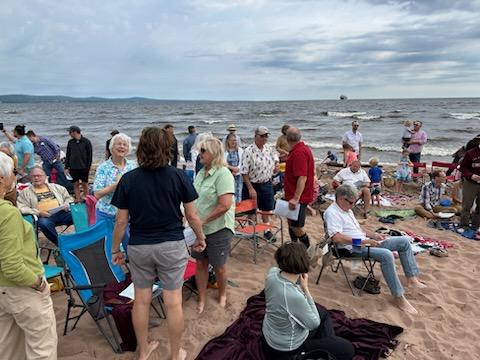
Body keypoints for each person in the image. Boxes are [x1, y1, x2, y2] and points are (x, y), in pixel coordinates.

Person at [111, 126, 206, 360]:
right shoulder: (177, 176)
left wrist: (115, 249)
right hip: (171, 245)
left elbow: (121, 221)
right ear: (166, 148)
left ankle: (143, 351)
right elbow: (192, 216)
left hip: (140, 246)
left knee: (141, 302)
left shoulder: (128, 179)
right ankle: (176, 354)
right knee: (173, 303)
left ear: (141, 148)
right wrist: (201, 238)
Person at [325, 184, 425, 314]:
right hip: (352, 247)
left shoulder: (346, 209)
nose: (353, 205)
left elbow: (357, 230)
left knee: (404, 242)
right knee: (386, 255)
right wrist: (363, 241)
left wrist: (374, 235)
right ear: (341, 199)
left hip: (364, 242)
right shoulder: (332, 213)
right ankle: (398, 297)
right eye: (351, 202)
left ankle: (412, 279)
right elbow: (337, 238)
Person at [0, 152, 57, 360]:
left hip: (2, 291)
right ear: (1, 178)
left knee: (7, 349)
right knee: (42, 350)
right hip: (21, 290)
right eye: (14, 172)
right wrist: (38, 283)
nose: (16, 177)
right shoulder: (7, 213)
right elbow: (12, 265)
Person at [261, 242, 354, 360]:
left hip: (269, 336)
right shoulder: (294, 296)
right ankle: (320, 353)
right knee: (347, 349)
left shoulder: (272, 273)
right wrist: (306, 289)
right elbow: (314, 324)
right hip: (285, 349)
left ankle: (326, 346)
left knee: (323, 313)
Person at [192, 136, 235, 314]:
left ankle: (222, 294)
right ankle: (201, 296)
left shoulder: (223, 173)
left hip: (218, 228)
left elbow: (224, 205)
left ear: (214, 153)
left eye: (203, 151)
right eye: (199, 150)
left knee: (219, 265)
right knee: (200, 263)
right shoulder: (201, 172)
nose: (199, 154)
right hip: (199, 228)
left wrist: (202, 221)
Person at [93, 133, 136, 252]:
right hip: (106, 213)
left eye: (125, 145)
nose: (122, 147)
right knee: (107, 247)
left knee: (130, 247)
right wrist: (116, 185)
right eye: (119, 144)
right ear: (111, 147)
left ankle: (132, 269)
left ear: (128, 149)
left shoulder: (132, 166)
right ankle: (111, 270)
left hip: (127, 214)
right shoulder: (103, 167)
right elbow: (97, 194)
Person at [17, 166, 73, 246]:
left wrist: (66, 205)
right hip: (44, 216)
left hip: (61, 212)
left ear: (45, 176)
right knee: (44, 224)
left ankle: (82, 238)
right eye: (34, 176)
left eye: (39, 175)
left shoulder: (57, 187)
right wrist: (38, 212)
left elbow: (69, 198)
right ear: (30, 178)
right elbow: (21, 207)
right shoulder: (25, 192)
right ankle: (61, 244)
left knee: (79, 214)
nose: (36, 178)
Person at [240, 126, 279, 239]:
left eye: (266, 136)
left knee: (266, 208)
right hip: (252, 184)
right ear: (256, 136)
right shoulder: (248, 151)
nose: (264, 138)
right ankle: (252, 232)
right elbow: (244, 171)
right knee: (251, 210)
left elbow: (275, 156)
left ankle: (267, 231)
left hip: (266, 183)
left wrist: (276, 164)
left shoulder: (269, 148)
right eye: (262, 136)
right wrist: (250, 188)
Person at [284, 127, 315, 249]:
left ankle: (307, 250)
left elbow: (302, 177)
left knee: (296, 226)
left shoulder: (299, 152)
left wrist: (296, 198)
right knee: (291, 223)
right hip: (294, 194)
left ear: (287, 138)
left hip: (298, 197)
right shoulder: (301, 150)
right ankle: (294, 247)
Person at [65, 125, 93, 202]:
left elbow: (90, 156)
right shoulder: (70, 142)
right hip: (73, 167)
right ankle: (78, 199)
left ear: (75, 132)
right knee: (75, 184)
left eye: (70, 132)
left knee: (85, 183)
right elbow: (68, 154)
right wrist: (66, 167)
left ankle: (87, 198)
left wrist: (88, 167)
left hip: (84, 167)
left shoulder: (86, 142)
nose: (69, 134)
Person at [459, 143, 480, 230]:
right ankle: (464, 225)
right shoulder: (471, 153)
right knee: (467, 205)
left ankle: (476, 224)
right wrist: (471, 175)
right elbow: (462, 167)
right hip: (471, 183)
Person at [224, 132, 243, 203]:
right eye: (231, 140)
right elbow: (223, 163)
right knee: (229, 191)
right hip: (228, 174)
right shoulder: (225, 152)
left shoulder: (240, 150)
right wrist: (232, 169)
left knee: (238, 191)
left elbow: (242, 161)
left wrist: (237, 169)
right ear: (228, 141)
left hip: (238, 174)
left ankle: (238, 208)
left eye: (235, 140)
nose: (233, 142)